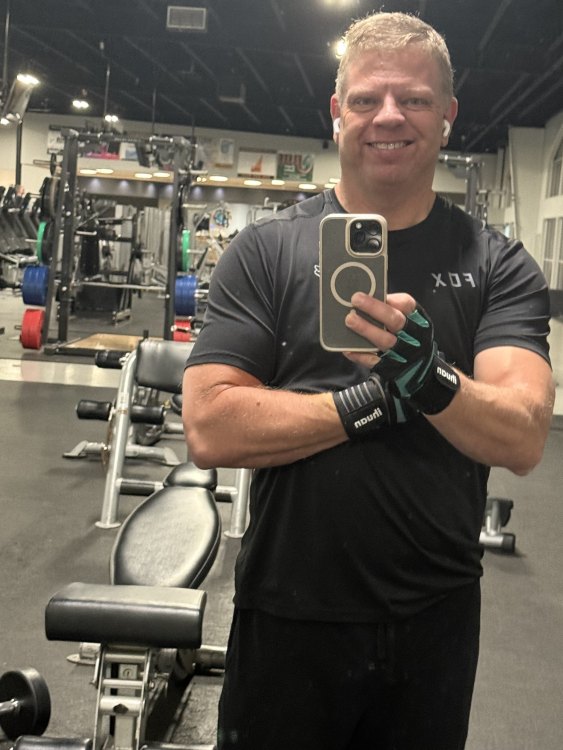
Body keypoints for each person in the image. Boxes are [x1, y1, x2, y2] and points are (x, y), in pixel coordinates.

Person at [182, 11, 555, 750]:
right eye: (366, 99)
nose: (389, 116)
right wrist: (373, 401)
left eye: (414, 99)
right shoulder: (264, 253)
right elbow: (209, 425)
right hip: (287, 611)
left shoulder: (497, 264)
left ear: (446, 116)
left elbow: (522, 435)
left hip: (434, 617)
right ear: (337, 112)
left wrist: (431, 380)